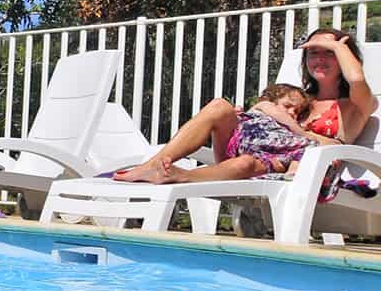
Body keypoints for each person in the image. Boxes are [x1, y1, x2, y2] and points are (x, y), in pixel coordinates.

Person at [115, 28, 375, 183]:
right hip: (252, 149)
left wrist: (337, 45)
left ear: (345, 57)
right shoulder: (299, 99)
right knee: (219, 106)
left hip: (290, 166)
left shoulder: (355, 105)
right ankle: (154, 164)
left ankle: (180, 176)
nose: (320, 58)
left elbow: (356, 78)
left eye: (328, 52)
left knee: (245, 164)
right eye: (313, 52)